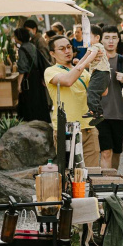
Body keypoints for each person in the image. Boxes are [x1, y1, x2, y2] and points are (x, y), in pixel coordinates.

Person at [45, 35, 101, 166]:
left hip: (89, 127)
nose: (67, 51)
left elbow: (103, 91)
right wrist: (86, 59)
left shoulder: (82, 70)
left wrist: (98, 66)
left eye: (69, 47)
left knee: (92, 173)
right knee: (70, 174)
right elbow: (68, 81)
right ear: (52, 53)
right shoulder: (51, 71)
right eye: (62, 48)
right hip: (66, 128)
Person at [93, 26, 123, 170]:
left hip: (118, 113)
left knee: (116, 152)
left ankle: (113, 181)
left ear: (118, 40)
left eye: (114, 37)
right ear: (100, 39)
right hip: (99, 114)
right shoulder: (94, 60)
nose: (110, 41)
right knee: (106, 152)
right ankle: (106, 185)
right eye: (107, 37)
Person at [13, 27, 51, 123]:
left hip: (28, 79)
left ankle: (30, 122)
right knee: (38, 100)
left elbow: (22, 69)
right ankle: (41, 121)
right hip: (37, 77)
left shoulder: (22, 49)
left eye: (15, 36)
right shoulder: (32, 46)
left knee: (28, 101)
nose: (14, 38)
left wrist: (18, 85)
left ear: (19, 37)